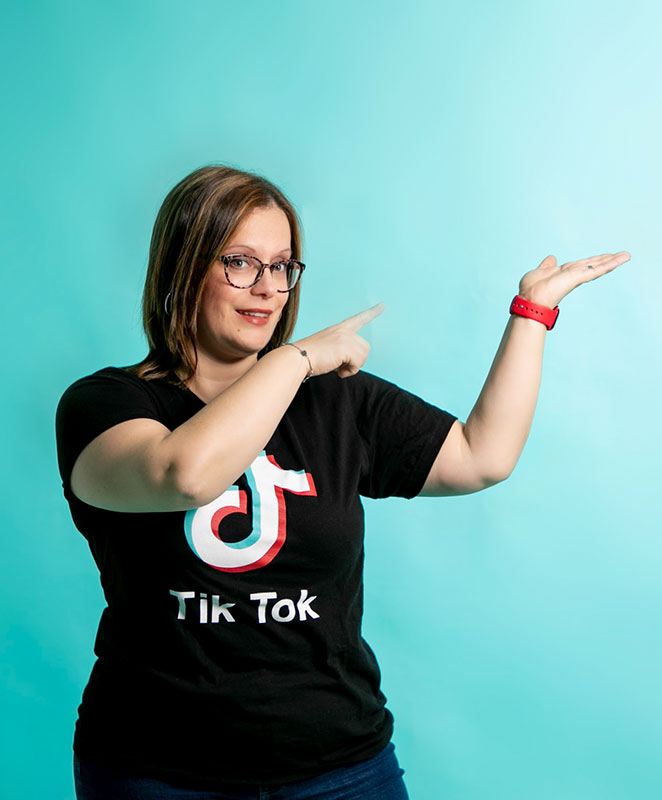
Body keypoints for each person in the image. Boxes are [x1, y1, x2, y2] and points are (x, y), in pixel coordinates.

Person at [55, 165, 629, 800]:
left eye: (282, 266)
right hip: (157, 771)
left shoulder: (335, 400)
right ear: (181, 266)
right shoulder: (105, 405)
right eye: (240, 262)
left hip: (340, 768)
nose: (267, 287)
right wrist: (297, 358)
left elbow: (480, 456)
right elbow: (184, 475)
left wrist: (532, 312)